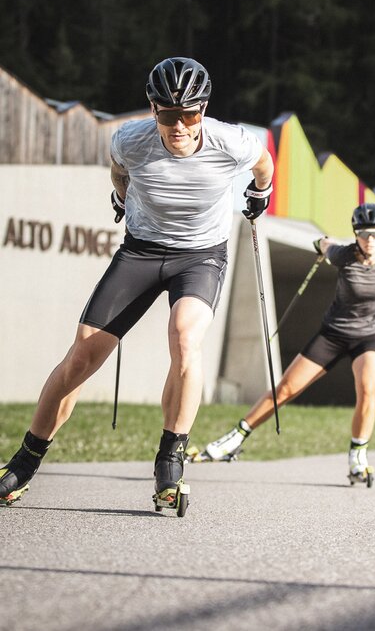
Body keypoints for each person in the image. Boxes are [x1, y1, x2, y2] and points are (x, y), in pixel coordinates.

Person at [0, 57, 274, 513]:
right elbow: (119, 171)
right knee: (82, 354)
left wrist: (259, 194)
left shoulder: (233, 142)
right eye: (168, 114)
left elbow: (263, 165)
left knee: (186, 339)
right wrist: (122, 199)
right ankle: (24, 464)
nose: (179, 125)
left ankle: (171, 460)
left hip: (201, 256)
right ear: (153, 109)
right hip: (141, 252)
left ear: (203, 110)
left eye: (189, 114)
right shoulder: (130, 140)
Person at [192, 203, 375, 485]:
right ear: (355, 234)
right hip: (333, 334)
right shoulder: (344, 255)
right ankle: (233, 440)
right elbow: (326, 244)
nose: (370, 240)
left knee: (368, 389)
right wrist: (318, 243)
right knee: (286, 389)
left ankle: (357, 457)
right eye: (364, 234)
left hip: (369, 337)